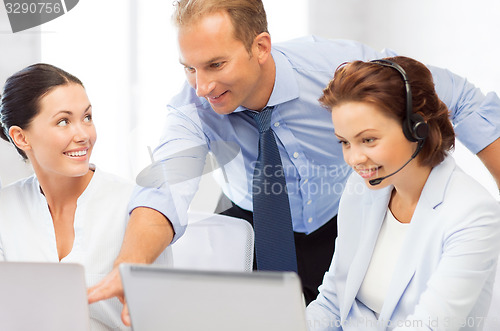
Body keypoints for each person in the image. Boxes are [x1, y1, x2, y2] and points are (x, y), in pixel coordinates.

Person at [88, 0, 500, 321]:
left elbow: (462, 99)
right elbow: (164, 191)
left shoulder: (336, 69)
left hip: (345, 211)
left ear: (260, 47)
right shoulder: (191, 109)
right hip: (254, 220)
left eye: (216, 64)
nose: (202, 86)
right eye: (189, 69)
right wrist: (131, 266)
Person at [306, 56, 500, 330]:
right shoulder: (361, 189)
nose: (354, 159)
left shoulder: (472, 213)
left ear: (417, 129)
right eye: (344, 142)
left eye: (368, 140)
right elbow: (332, 303)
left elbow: (429, 326)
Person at [0, 63, 171, 330]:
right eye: (64, 121)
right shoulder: (6, 208)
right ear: (21, 137)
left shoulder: (139, 209)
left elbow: (160, 318)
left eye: (87, 117)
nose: (83, 135)